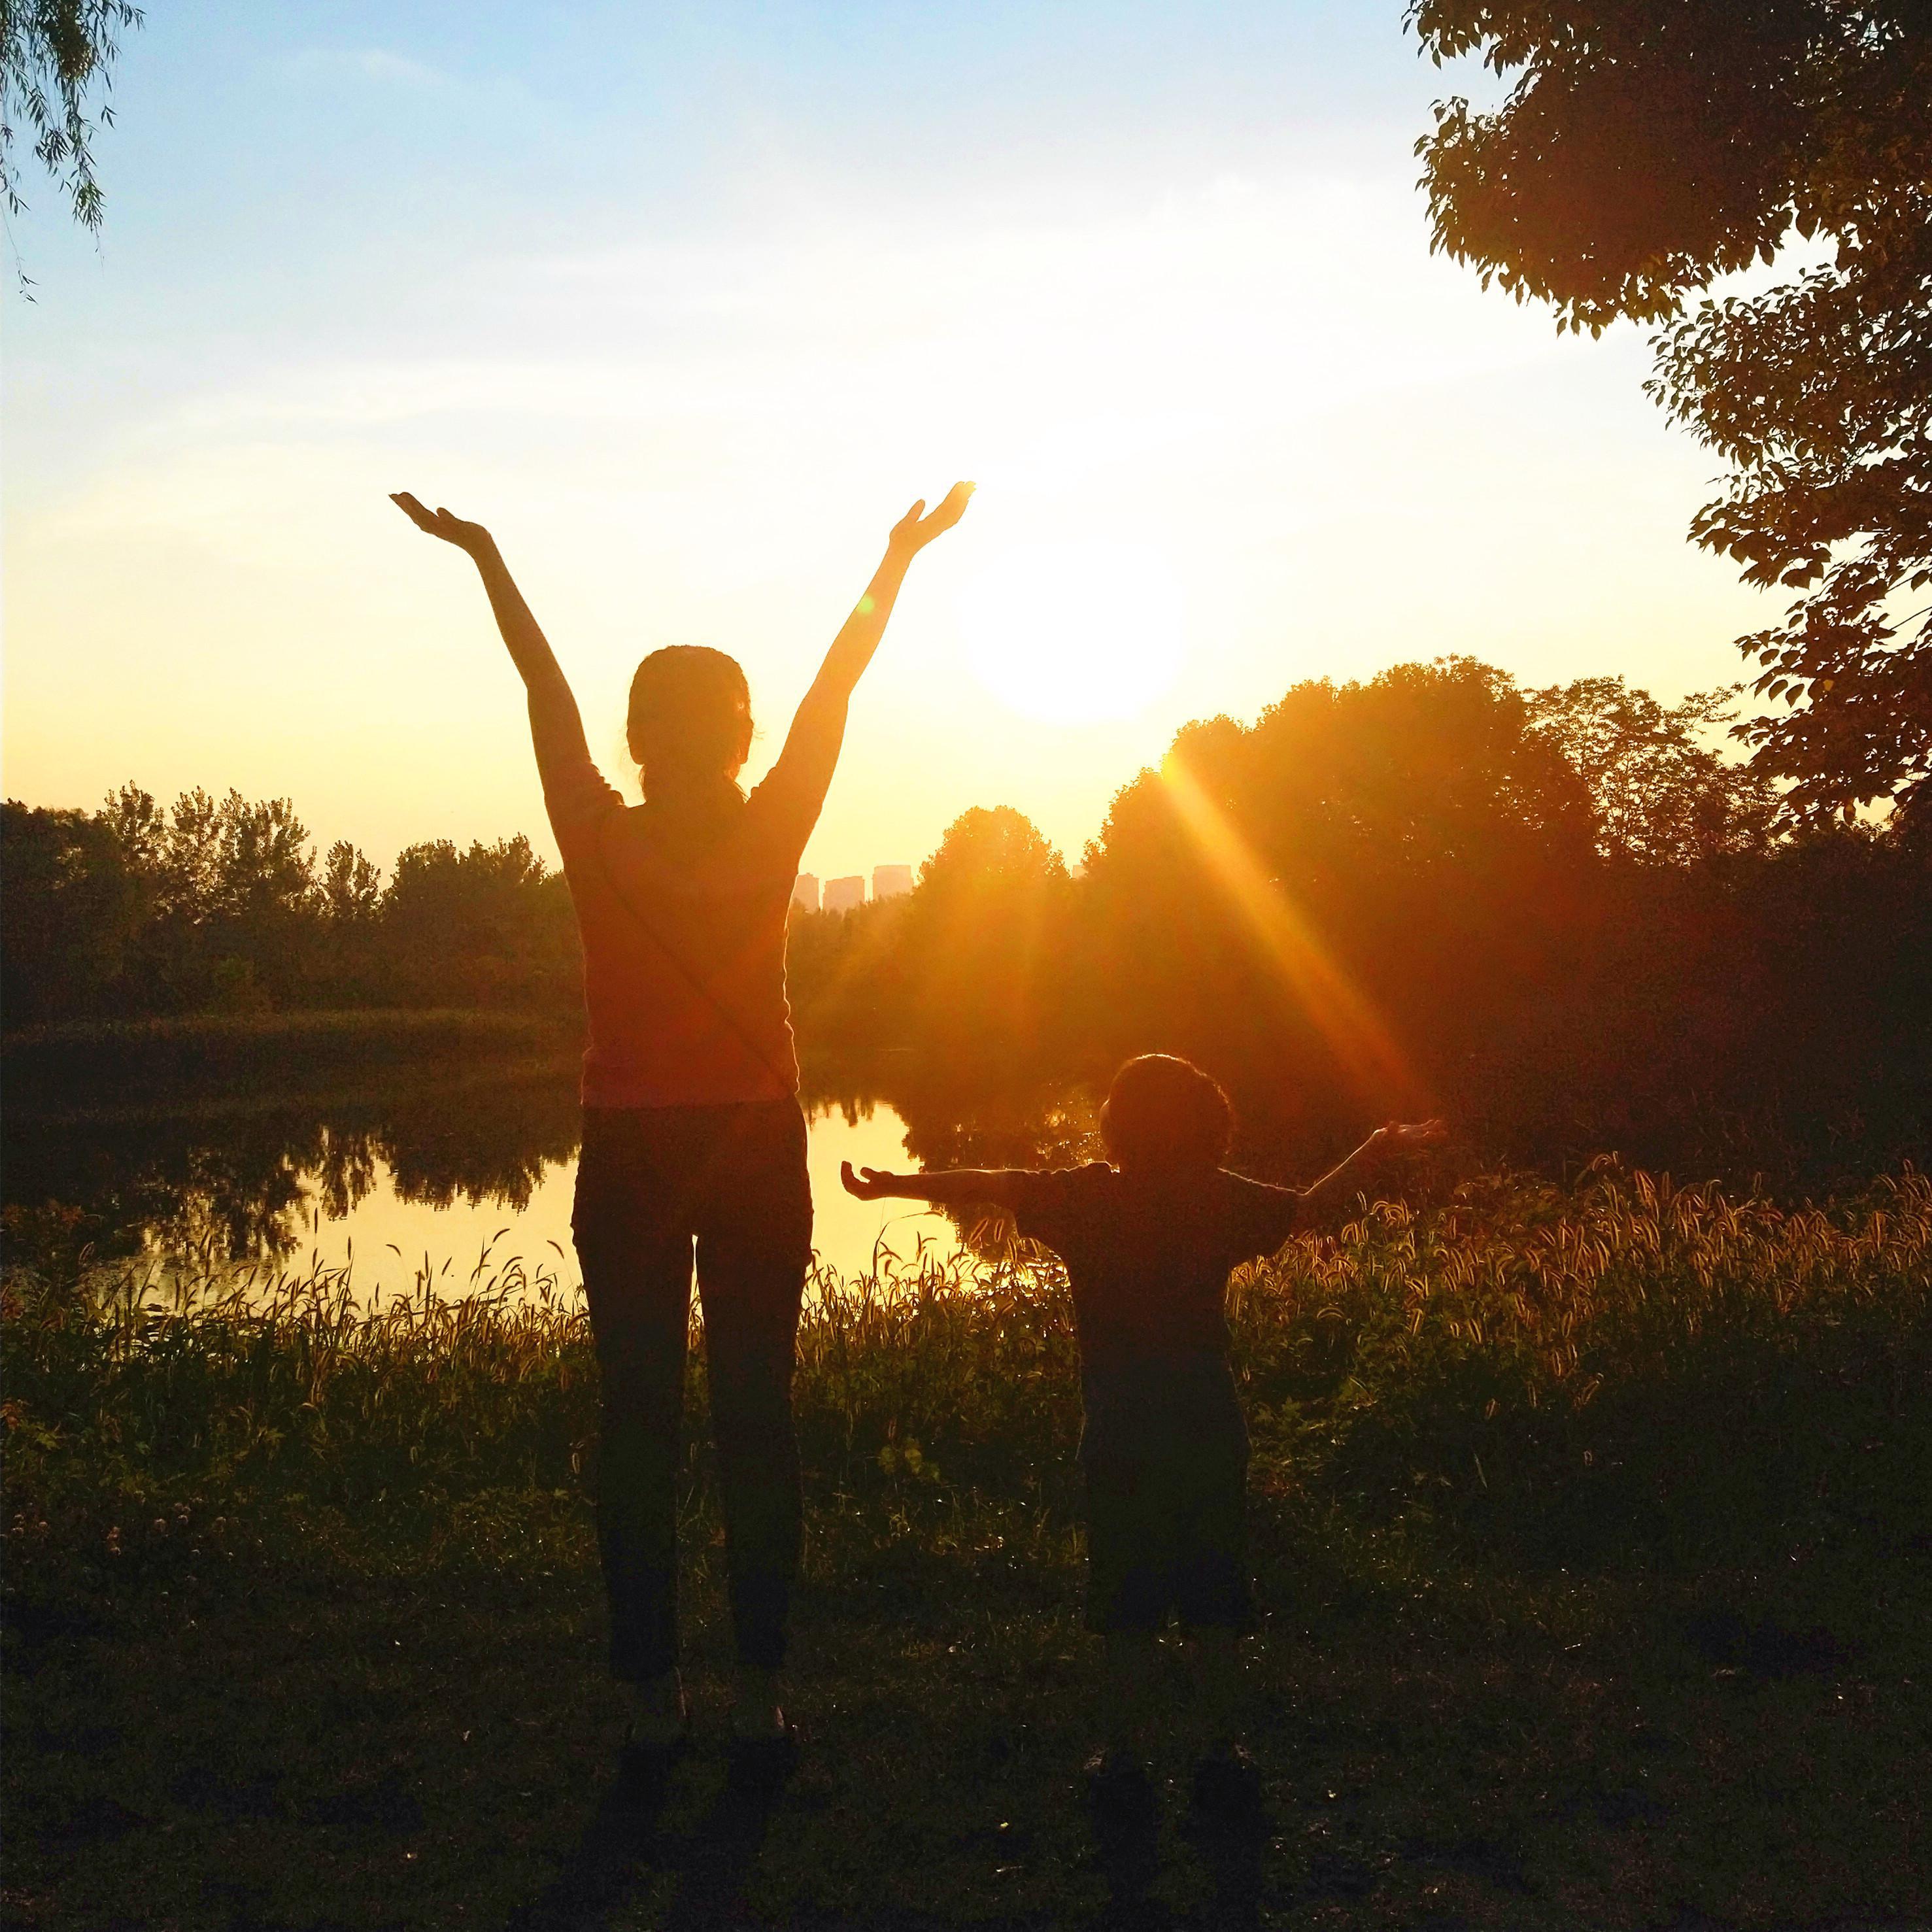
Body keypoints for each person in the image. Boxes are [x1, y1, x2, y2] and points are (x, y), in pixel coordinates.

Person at [393, 480, 973, 1765]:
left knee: (638, 1421)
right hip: (755, 1140)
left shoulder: (598, 835)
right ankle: (762, 1692)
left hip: (634, 1150)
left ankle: (649, 1700)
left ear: (641, 734)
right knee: (756, 1412)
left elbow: (541, 693)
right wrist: (896, 557)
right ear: (738, 730)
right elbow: (840, 687)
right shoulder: (775, 825)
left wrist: (487, 557)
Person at [841, 1053, 1444, 1822]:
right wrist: (1377, 1147)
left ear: (1119, 1124)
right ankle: (1220, 1754)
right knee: (1215, 1593)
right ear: (1207, 1122)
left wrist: (892, 1185)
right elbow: (1306, 1208)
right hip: (1206, 1421)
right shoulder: (1218, 1200)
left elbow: (987, 1180)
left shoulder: (1087, 1198)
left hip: (1122, 1426)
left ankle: (1123, 1757)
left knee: (1126, 1592)